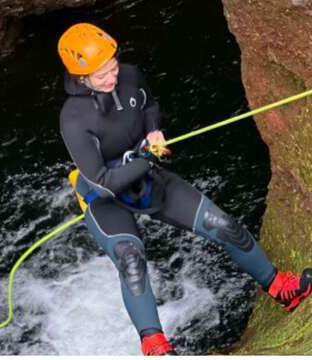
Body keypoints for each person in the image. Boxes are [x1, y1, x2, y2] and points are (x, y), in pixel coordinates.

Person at [57, 23, 312, 355]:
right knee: (132, 262)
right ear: (81, 78)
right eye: (102, 75)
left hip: (146, 177)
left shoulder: (130, 75)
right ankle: (156, 347)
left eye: (113, 67)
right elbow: (103, 184)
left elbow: (149, 107)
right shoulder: (74, 119)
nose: (112, 78)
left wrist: (153, 131)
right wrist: (147, 159)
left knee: (224, 226)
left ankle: (281, 288)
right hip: (106, 199)